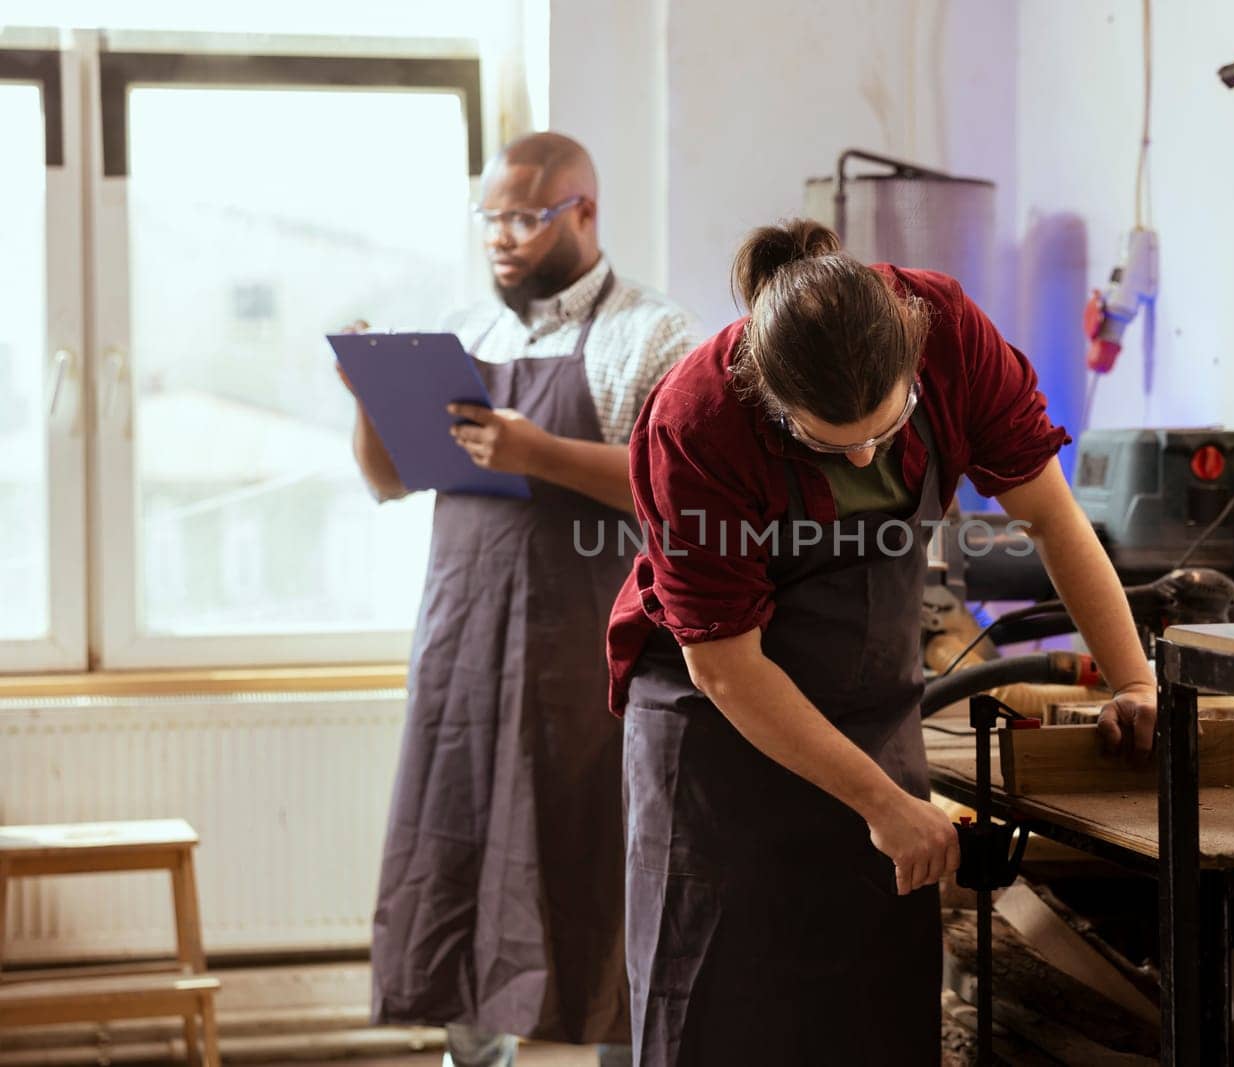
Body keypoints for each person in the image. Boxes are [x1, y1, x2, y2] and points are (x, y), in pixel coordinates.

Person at [605, 219, 1159, 1064]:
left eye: (885, 428)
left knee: (874, 1007)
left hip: (869, 707)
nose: (866, 453)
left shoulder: (951, 336)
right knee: (718, 1010)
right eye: (833, 444)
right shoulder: (696, 419)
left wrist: (1136, 681)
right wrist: (884, 804)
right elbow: (725, 667)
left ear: (913, 357)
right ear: (765, 392)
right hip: (719, 735)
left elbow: (1051, 517)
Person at [348, 132, 698, 1067]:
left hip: (591, 659)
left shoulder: (653, 335)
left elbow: (679, 488)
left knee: (601, 864)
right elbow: (390, 482)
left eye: (524, 218)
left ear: (583, 210)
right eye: (490, 218)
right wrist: (366, 400)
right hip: (464, 649)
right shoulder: (469, 333)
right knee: (458, 853)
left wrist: (535, 451)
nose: (501, 238)